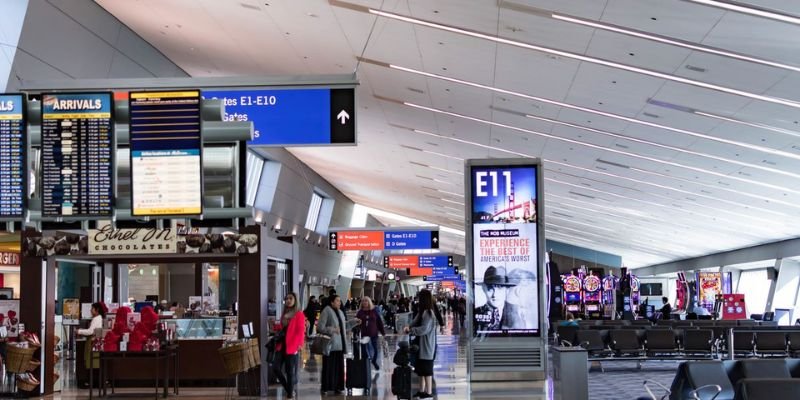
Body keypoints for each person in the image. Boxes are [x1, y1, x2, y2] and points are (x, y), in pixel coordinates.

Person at [317, 295, 360, 395]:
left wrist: (354, 322)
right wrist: (332, 330)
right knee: (328, 367)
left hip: (339, 345)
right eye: (337, 301)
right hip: (330, 345)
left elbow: (344, 327)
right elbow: (320, 327)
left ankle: (337, 387)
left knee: (338, 368)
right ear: (331, 302)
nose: (339, 303)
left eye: (340, 301)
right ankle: (326, 387)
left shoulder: (340, 312)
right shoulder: (326, 311)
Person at [404, 289, 437, 399]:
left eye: (420, 297)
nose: (418, 299)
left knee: (427, 371)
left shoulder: (428, 313)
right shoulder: (421, 312)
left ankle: (428, 393)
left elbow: (424, 329)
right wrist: (409, 327)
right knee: (420, 370)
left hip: (427, 346)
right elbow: (414, 322)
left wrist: (412, 330)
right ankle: (421, 391)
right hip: (419, 345)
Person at [272, 292, 305, 400]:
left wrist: (299, 344)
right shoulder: (284, 314)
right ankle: (288, 389)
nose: (288, 300)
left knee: (289, 371)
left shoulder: (299, 314)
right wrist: (276, 326)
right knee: (276, 368)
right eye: (286, 299)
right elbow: (283, 329)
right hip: (281, 345)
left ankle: (290, 395)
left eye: (290, 298)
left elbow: (300, 331)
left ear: (295, 300)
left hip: (292, 345)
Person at [474, 266, 517, 332]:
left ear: (507, 290)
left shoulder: (516, 311)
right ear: (483, 289)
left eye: (500, 288)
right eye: (490, 288)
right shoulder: (476, 312)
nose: (495, 294)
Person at [356, 296, 385, 371]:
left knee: (375, 350)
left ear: (369, 302)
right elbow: (355, 323)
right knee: (364, 351)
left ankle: (374, 361)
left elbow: (379, 322)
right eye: (363, 301)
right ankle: (366, 365)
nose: (365, 302)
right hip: (363, 335)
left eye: (366, 301)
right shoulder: (360, 312)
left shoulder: (374, 311)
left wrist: (383, 332)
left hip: (373, 334)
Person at [77, 302, 106, 378]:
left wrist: (79, 331)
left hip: (93, 342)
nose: (90, 310)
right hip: (96, 342)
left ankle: (91, 380)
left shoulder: (96, 319)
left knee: (91, 361)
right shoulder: (100, 318)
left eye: (92, 308)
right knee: (95, 362)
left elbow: (90, 331)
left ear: (97, 310)